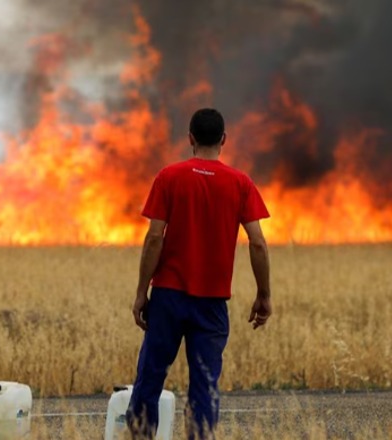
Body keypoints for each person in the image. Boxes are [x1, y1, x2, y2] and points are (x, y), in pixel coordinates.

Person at [127, 108, 272, 439]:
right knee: (205, 385)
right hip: (211, 305)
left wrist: (140, 293)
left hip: (167, 298)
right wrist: (264, 294)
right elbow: (258, 244)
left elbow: (154, 238)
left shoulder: (169, 177)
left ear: (190, 138)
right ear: (224, 140)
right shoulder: (240, 183)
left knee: (150, 377)